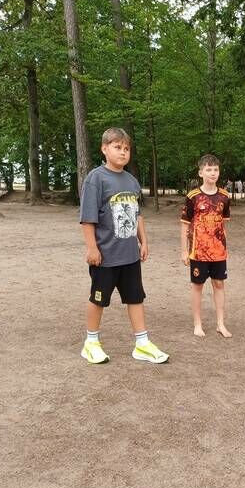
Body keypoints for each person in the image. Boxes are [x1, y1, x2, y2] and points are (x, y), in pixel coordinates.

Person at [79, 127, 169, 364]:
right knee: (98, 298)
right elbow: (87, 218)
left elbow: (138, 215)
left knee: (135, 297)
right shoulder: (96, 179)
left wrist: (143, 241)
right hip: (105, 256)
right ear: (104, 149)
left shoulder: (132, 181)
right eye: (117, 147)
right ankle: (91, 343)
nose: (123, 152)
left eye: (126, 148)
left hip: (129, 256)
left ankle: (142, 344)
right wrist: (92, 248)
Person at [180, 154, 232, 338]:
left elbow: (223, 223)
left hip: (218, 251)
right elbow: (185, 225)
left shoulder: (224, 196)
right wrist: (184, 251)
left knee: (219, 284)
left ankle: (220, 324)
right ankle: (197, 324)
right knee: (198, 286)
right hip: (198, 251)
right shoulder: (193, 196)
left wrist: (224, 247)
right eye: (208, 169)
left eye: (215, 169)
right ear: (201, 172)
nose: (213, 173)